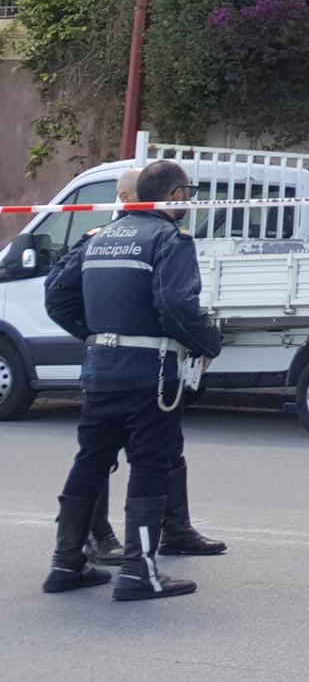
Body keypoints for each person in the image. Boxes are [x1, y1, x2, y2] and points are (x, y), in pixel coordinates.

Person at [40, 160, 222, 600]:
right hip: (151, 373)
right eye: (188, 194)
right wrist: (208, 342)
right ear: (175, 196)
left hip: (101, 370)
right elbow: (175, 304)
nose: (189, 203)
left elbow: (56, 296)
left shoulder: (99, 238)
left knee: (90, 461)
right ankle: (141, 572)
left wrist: (99, 335)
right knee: (150, 465)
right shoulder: (168, 239)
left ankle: (66, 563)